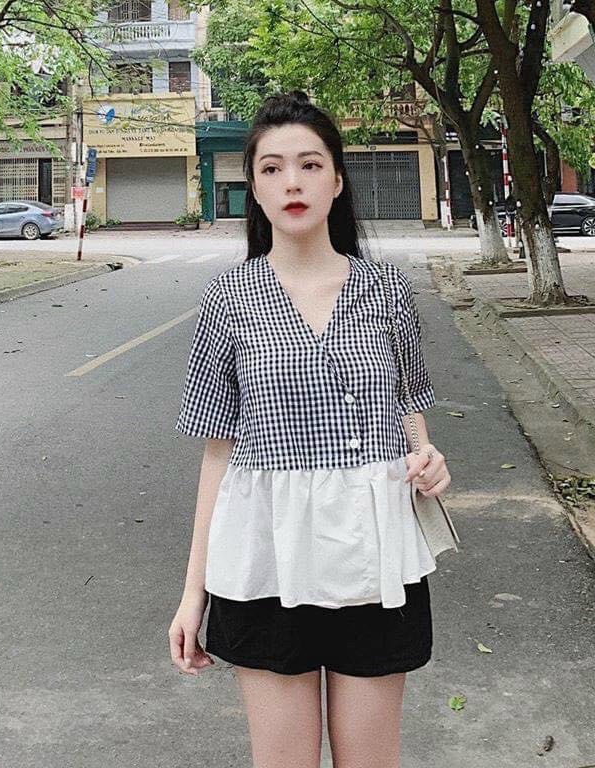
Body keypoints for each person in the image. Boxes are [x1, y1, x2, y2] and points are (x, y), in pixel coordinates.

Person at [167, 91, 452, 768]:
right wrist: (192, 592)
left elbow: (409, 404)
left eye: (309, 164)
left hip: (375, 553)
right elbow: (218, 453)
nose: (291, 182)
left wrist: (428, 456)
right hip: (267, 557)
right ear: (254, 187)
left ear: (337, 180)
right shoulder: (228, 298)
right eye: (271, 168)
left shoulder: (387, 289)